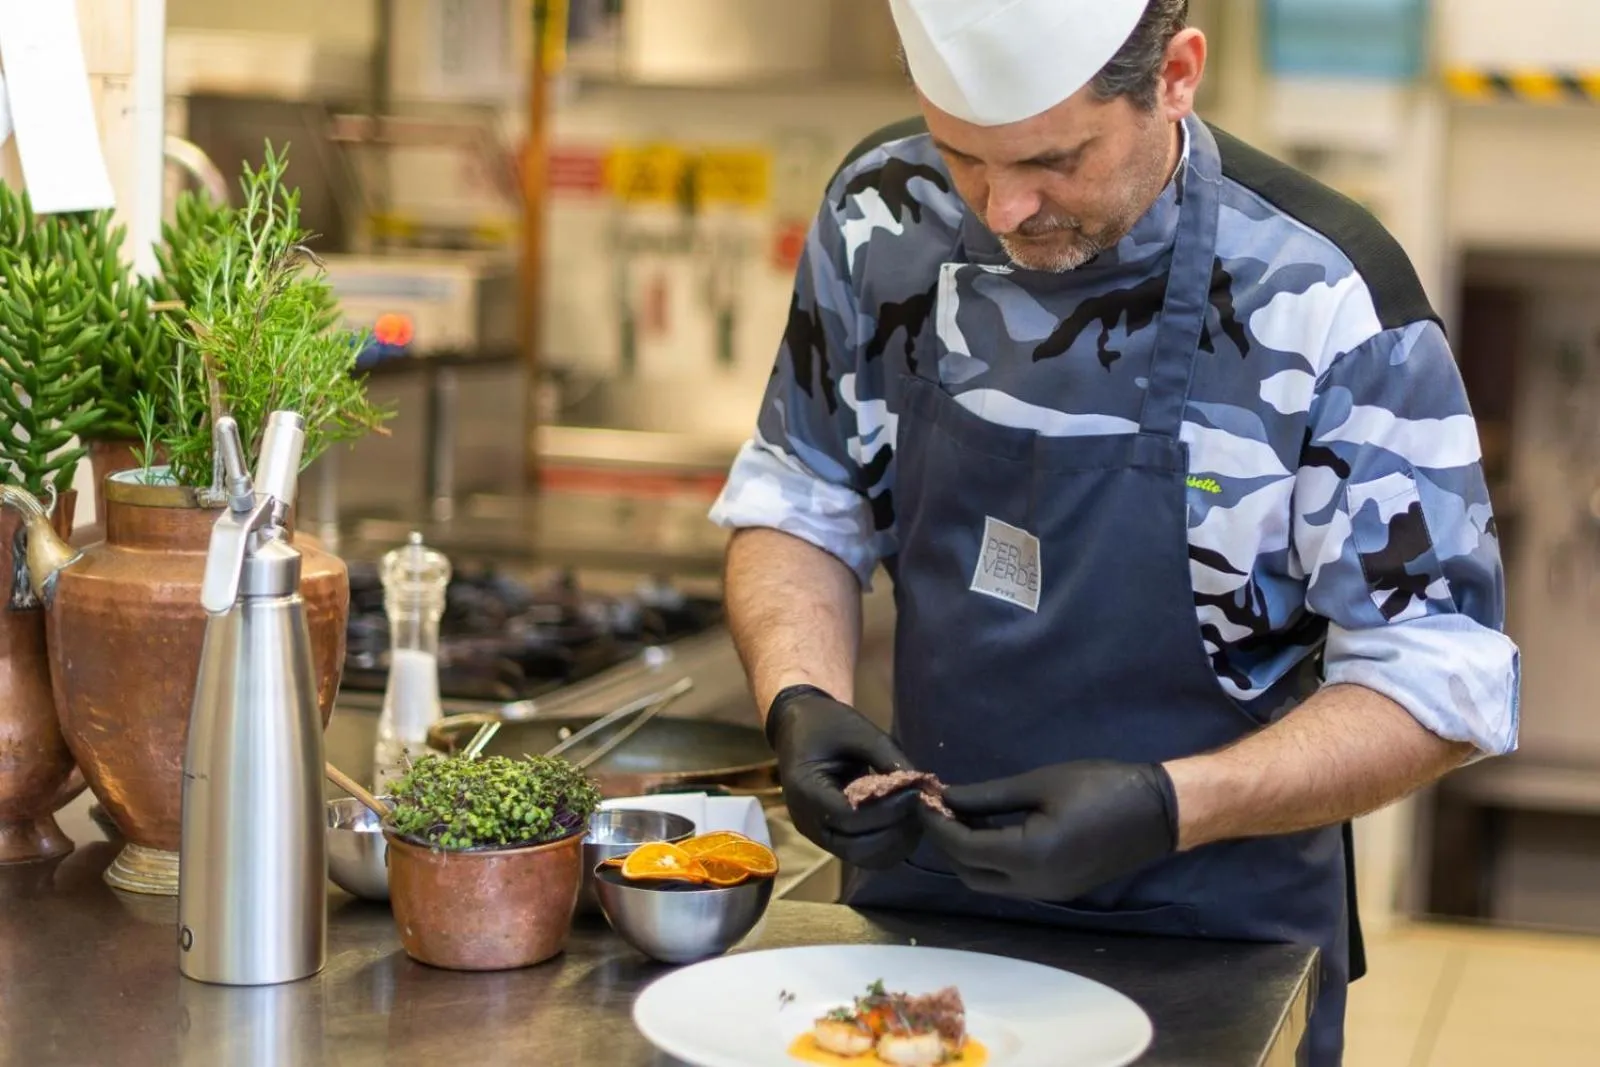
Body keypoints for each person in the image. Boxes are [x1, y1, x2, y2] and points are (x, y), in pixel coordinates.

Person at [708, 1, 1520, 1063]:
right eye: (963, 155)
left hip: (1216, 943)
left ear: (1176, 75)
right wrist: (801, 695)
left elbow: (1441, 680)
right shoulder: (881, 212)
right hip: (921, 922)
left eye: (1054, 159)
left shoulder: (1324, 294)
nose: (1003, 207)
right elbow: (800, 495)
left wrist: (1167, 804)